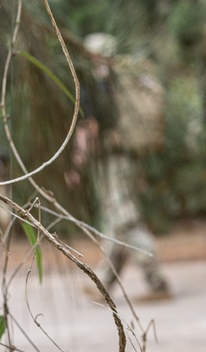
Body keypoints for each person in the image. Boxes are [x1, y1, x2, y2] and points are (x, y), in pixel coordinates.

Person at [74, 34, 171, 301]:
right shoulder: (121, 81)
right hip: (127, 159)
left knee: (126, 220)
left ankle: (157, 282)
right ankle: (103, 284)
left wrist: (76, 164)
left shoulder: (99, 84)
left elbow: (89, 126)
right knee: (117, 221)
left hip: (113, 160)